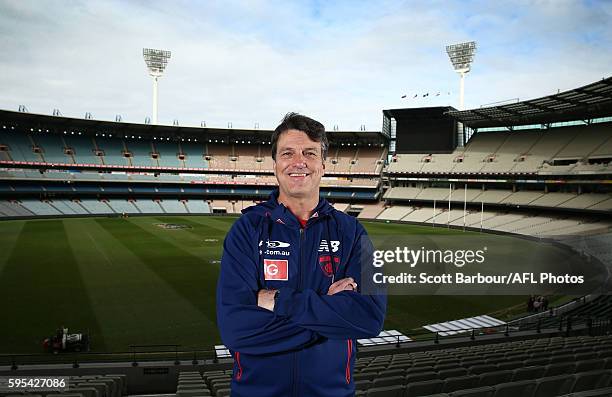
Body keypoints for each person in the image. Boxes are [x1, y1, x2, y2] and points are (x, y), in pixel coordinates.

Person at [216, 112, 387, 397]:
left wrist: (278, 301)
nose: (299, 162)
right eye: (288, 153)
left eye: (309, 152)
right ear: (275, 165)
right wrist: (330, 317)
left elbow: (369, 318)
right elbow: (236, 330)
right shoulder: (246, 230)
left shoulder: (353, 233)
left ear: (322, 164)